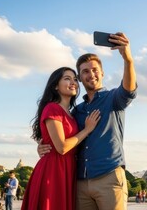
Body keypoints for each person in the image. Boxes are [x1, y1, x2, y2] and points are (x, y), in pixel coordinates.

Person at [38, 32, 137, 210]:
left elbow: (128, 89)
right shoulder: (77, 111)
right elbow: (62, 136)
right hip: (80, 183)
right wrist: (43, 145)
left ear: (102, 73)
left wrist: (128, 60)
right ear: (81, 78)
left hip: (108, 177)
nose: (90, 74)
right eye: (85, 72)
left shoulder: (113, 99)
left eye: (94, 70)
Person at [21, 66, 100, 210]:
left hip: (67, 169)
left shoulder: (72, 113)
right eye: (67, 79)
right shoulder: (52, 108)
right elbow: (62, 147)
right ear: (56, 86)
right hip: (54, 170)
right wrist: (87, 130)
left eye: (75, 79)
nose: (73, 82)